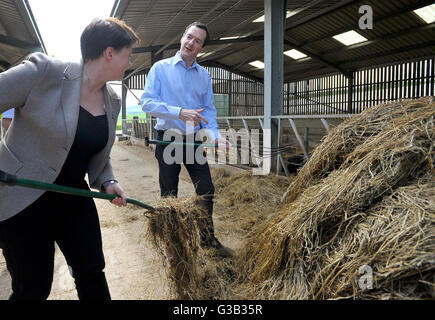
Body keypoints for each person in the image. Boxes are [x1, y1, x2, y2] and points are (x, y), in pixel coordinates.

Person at [0, 17, 139, 300]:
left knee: (92, 272)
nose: (129, 63)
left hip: (74, 195)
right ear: (109, 53)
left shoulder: (112, 100)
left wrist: (107, 179)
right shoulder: (45, 72)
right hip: (23, 195)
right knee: (33, 287)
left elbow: (97, 151)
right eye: (128, 55)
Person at [141, 22, 233, 257]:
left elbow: (209, 111)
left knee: (206, 190)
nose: (191, 43)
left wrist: (216, 136)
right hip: (168, 138)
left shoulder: (204, 76)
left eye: (197, 41)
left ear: (201, 48)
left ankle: (207, 239)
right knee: (169, 194)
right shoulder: (160, 68)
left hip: (192, 140)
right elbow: (147, 103)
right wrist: (179, 111)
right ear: (182, 37)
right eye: (189, 37)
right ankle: (172, 243)